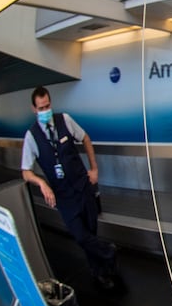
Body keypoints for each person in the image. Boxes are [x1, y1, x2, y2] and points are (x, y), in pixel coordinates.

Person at [21, 86, 121, 292]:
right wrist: (42, 183)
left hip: (83, 186)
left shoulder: (64, 120)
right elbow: (25, 171)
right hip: (64, 197)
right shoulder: (31, 137)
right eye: (41, 107)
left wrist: (94, 169)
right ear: (34, 109)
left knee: (91, 231)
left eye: (47, 105)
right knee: (81, 236)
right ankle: (109, 252)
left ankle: (101, 271)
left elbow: (85, 138)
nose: (45, 110)